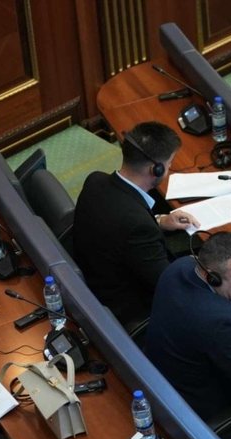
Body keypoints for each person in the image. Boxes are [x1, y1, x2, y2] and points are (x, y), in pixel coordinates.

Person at [146, 231, 231, 422]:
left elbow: (197, 318)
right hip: (197, 404)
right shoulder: (222, 319)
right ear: (211, 276)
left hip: (163, 372)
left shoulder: (179, 267)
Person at [73, 121, 199, 324]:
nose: (169, 168)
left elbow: (117, 223)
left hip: (97, 272)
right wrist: (204, 268)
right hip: (131, 306)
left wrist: (160, 221)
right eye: (169, 164)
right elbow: (168, 286)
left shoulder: (95, 180)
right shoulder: (138, 227)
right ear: (155, 169)